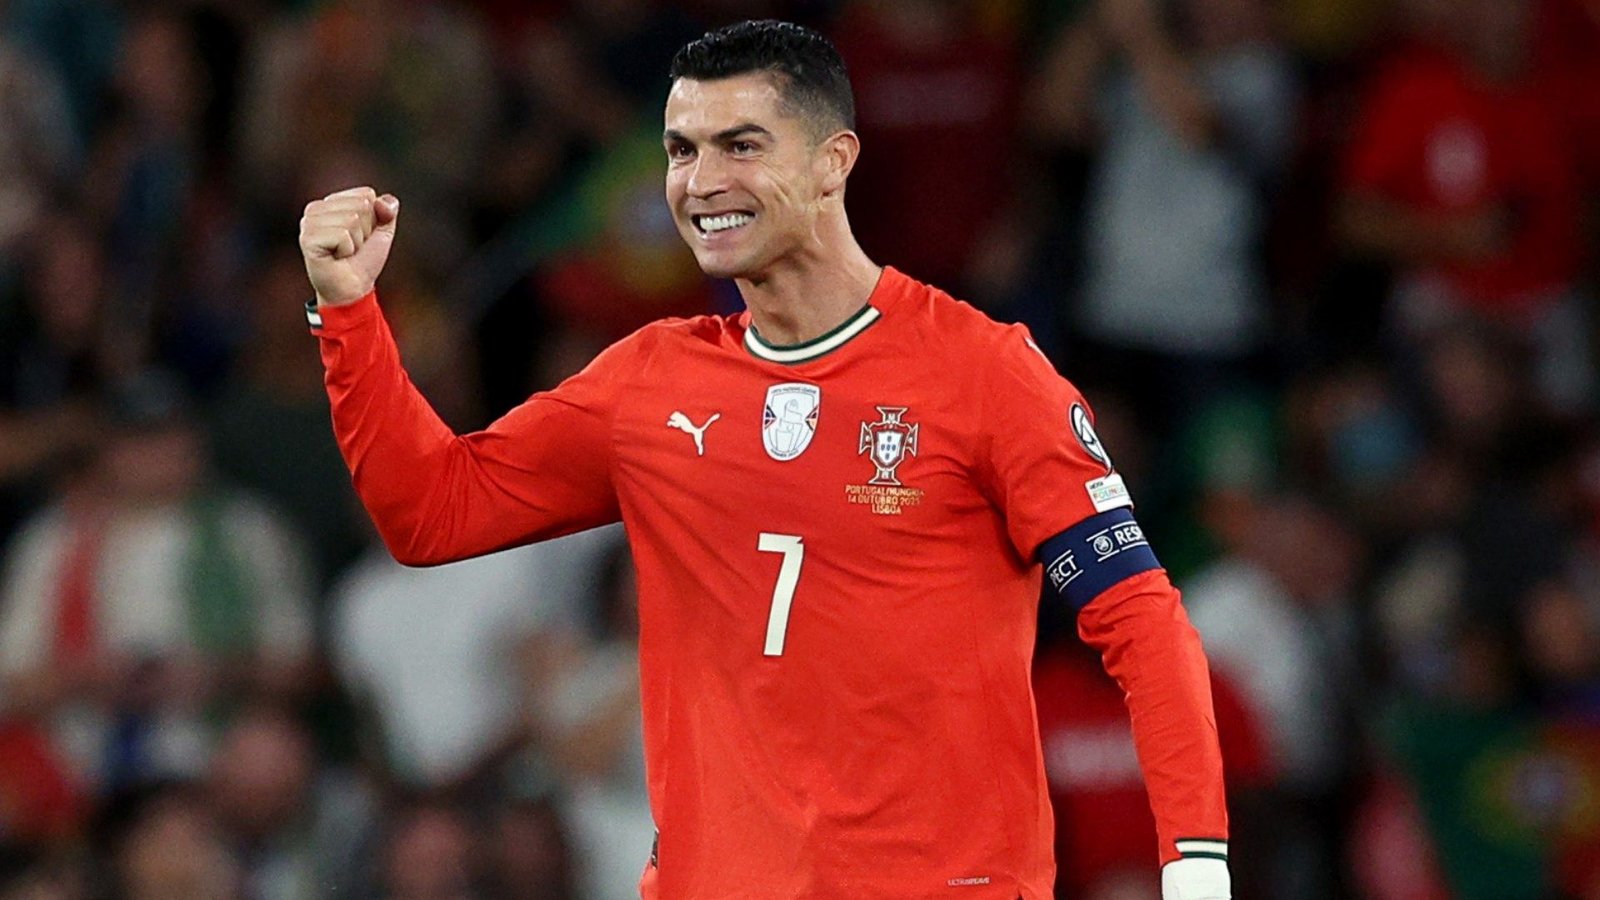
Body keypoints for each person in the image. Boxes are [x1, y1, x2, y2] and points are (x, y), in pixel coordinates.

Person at [297, 20, 1230, 900]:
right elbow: (431, 514)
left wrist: (1195, 864)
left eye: (740, 146)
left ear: (833, 161)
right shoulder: (648, 385)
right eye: (681, 150)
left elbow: (1140, 621)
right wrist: (347, 312)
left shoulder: (984, 375)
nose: (701, 181)